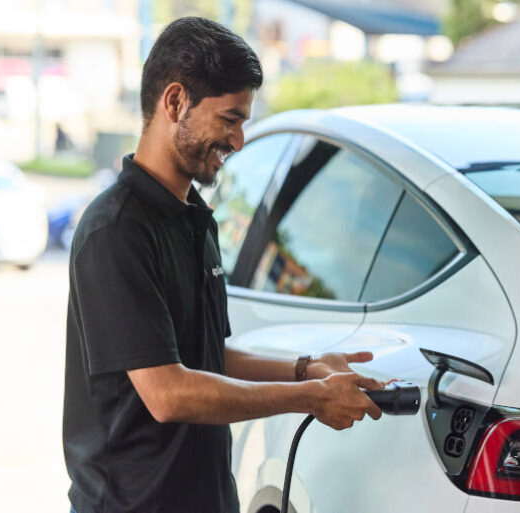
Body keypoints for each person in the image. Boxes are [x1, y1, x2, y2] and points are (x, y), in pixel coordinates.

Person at [63, 17, 383, 513]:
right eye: (229, 120)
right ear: (175, 102)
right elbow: (169, 392)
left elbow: (205, 355)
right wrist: (314, 398)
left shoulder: (194, 217)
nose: (238, 142)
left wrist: (306, 371)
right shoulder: (115, 231)